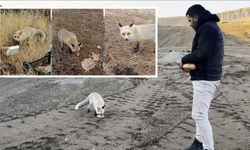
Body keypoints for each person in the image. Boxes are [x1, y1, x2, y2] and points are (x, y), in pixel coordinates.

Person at [177, 4, 224, 150]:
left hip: (206, 78)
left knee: (198, 115)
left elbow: (202, 53)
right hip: (206, 76)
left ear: (196, 18)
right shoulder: (208, 26)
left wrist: (184, 59)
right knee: (201, 113)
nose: (189, 24)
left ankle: (208, 148)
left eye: (190, 20)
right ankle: (198, 143)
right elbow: (204, 52)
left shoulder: (208, 28)